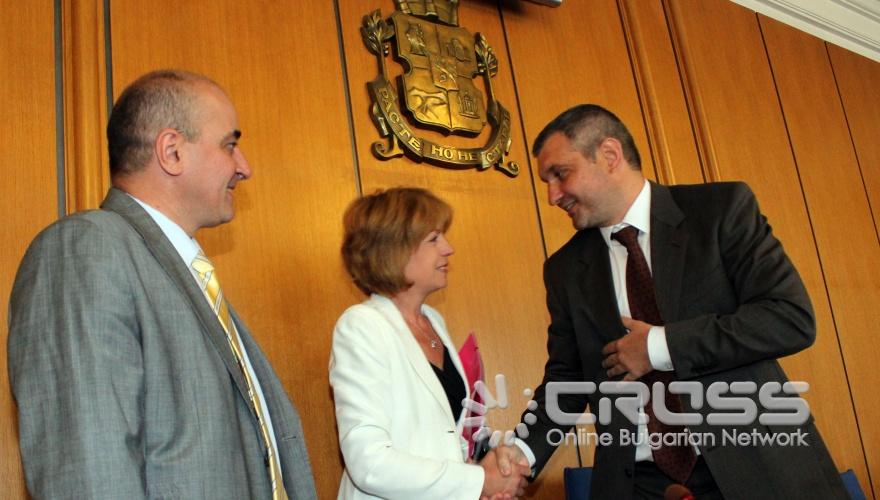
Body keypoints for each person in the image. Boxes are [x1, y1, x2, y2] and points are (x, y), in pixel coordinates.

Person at [496, 104, 846, 499]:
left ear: (609, 155)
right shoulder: (564, 269)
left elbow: (789, 318)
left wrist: (658, 347)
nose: (552, 196)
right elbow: (567, 379)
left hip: (757, 468)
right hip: (636, 484)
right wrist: (521, 452)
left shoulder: (720, 210)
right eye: (547, 182)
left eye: (560, 174)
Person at [7, 70, 317, 499]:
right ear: (171, 152)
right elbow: (88, 470)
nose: (244, 168)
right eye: (229, 145)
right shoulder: (84, 249)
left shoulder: (185, 273)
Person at [330, 187, 530, 500]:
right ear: (395, 249)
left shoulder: (433, 321)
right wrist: (477, 481)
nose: (448, 249)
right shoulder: (362, 325)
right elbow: (368, 463)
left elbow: (447, 434)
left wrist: (490, 463)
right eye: (434, 239)